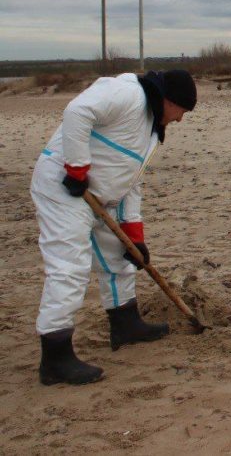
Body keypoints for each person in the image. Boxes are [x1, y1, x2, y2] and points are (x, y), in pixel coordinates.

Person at [31, 69, 197, 385]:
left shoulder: (150, 130)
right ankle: (55, 356)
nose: (180, 120)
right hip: (62, 186)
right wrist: (76, 168)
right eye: (182, 112)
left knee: (120, 259)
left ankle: (126, 323)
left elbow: (128, 181)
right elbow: (77, 112)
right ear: (168, 100)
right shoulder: (128, 93)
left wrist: (134, 235)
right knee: (69, 268)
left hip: (100, 196)